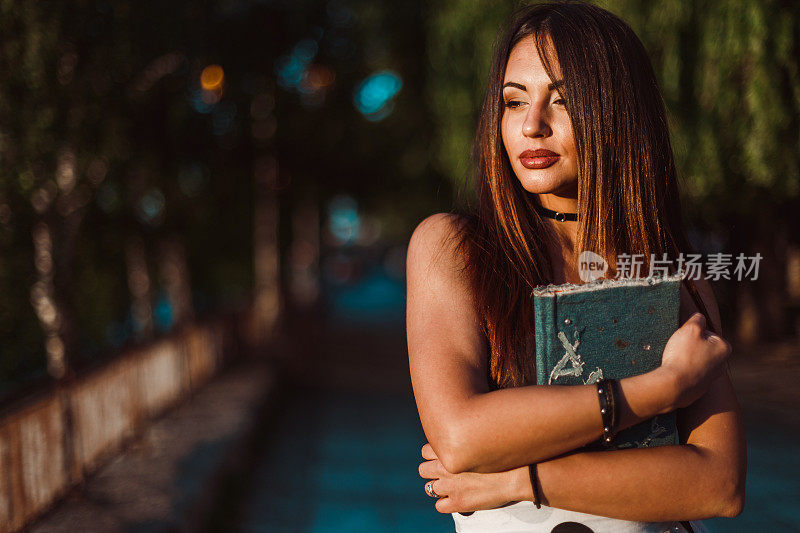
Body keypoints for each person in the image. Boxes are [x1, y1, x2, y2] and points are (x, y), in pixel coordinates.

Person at [405, 2, 747, 532]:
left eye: (562, 102)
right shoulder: (454, 249)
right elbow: (461, 436)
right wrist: (660, 389)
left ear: (617, 115)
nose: (532, 125)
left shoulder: (667, 269)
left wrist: (518, 479)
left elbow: (719, 485)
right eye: (514, 102)